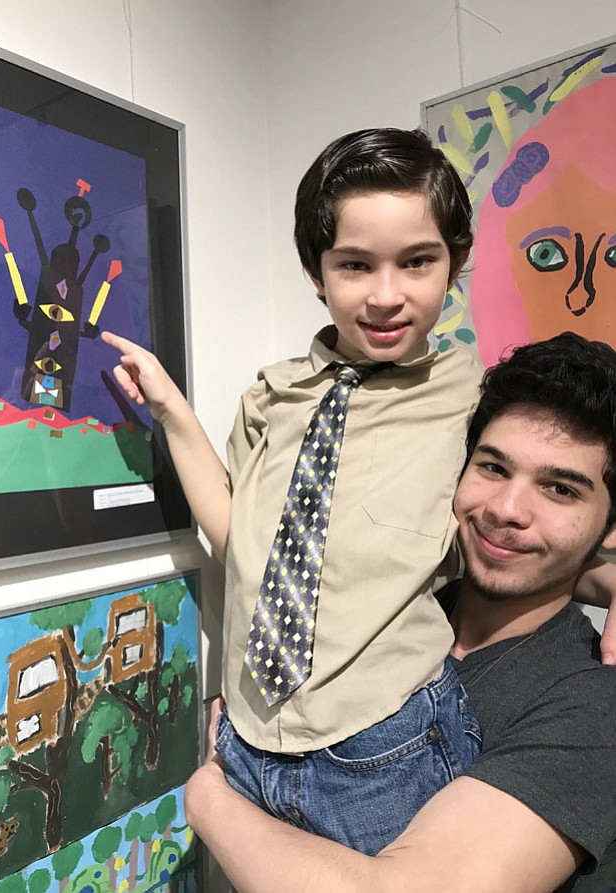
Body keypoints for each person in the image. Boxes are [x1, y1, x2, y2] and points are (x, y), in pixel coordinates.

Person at [102, 129, 615, 854]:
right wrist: (170, 412)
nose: (385, 295)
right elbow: (241, 538)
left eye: (417, 262)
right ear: (317, 272)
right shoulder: (273, 397)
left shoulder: (473, 398)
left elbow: (520, 523)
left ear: (455, 262)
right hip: (249, 736)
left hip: (383, 745)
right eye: (354, 265)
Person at [185, 332, 616, 893]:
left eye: (560, 489)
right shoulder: (391, 612)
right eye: (492, 467)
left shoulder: (592, 705)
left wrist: (209, 795)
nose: (507, 510)